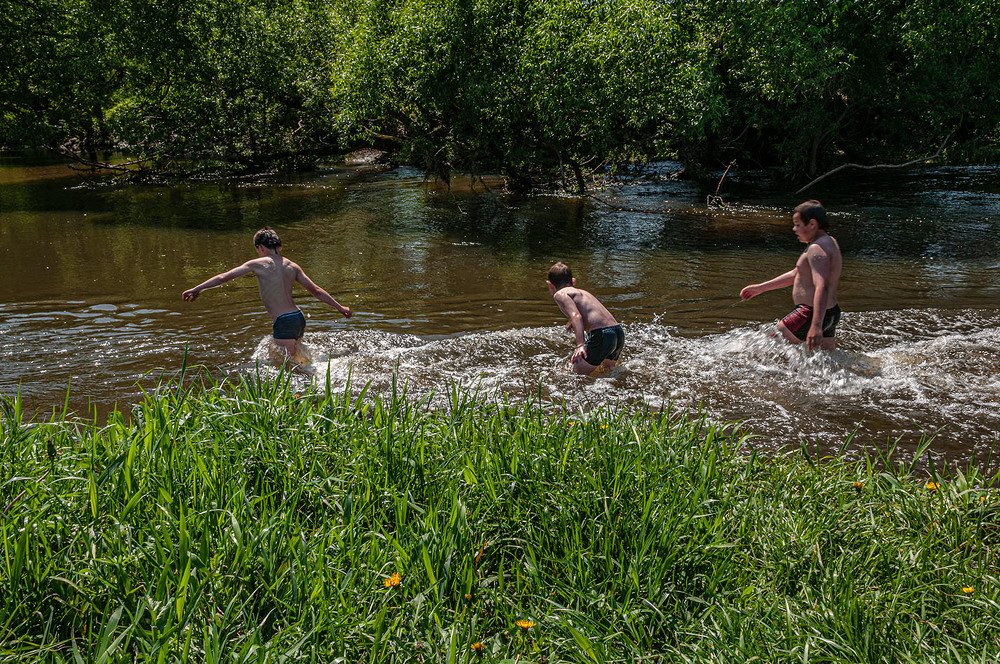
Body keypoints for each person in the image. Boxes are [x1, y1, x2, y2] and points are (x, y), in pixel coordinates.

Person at [182, 227, 352, 360]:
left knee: (289, 367)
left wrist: (197, 288)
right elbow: (316, 291)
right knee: (297, 357)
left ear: (260, 247)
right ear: (280, 246)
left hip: (283, 321)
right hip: (298, 317)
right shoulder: (292, 266)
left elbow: (223, 277)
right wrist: (340, 307)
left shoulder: (257, 264)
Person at [740, 200, 842, 351]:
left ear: (812, 224)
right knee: (828, 361)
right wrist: (760, 288)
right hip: (831, 313)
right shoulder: (829, 241)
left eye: (798, 224)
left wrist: (816, 326)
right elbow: (797, 274)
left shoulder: (816, 249)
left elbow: (823, 286)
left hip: (809, 314)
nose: (794, 229)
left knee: (764, 347)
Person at [547, 262, 625, 375]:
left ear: (550, 285)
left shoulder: (560, 294)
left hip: (602, 335)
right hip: (618, 333)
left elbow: (576, 316)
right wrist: (571, 322)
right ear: (573, 281)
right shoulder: (583, 292)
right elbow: (588, 313)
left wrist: (580, 345)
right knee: (608, 374)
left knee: (575, 376)